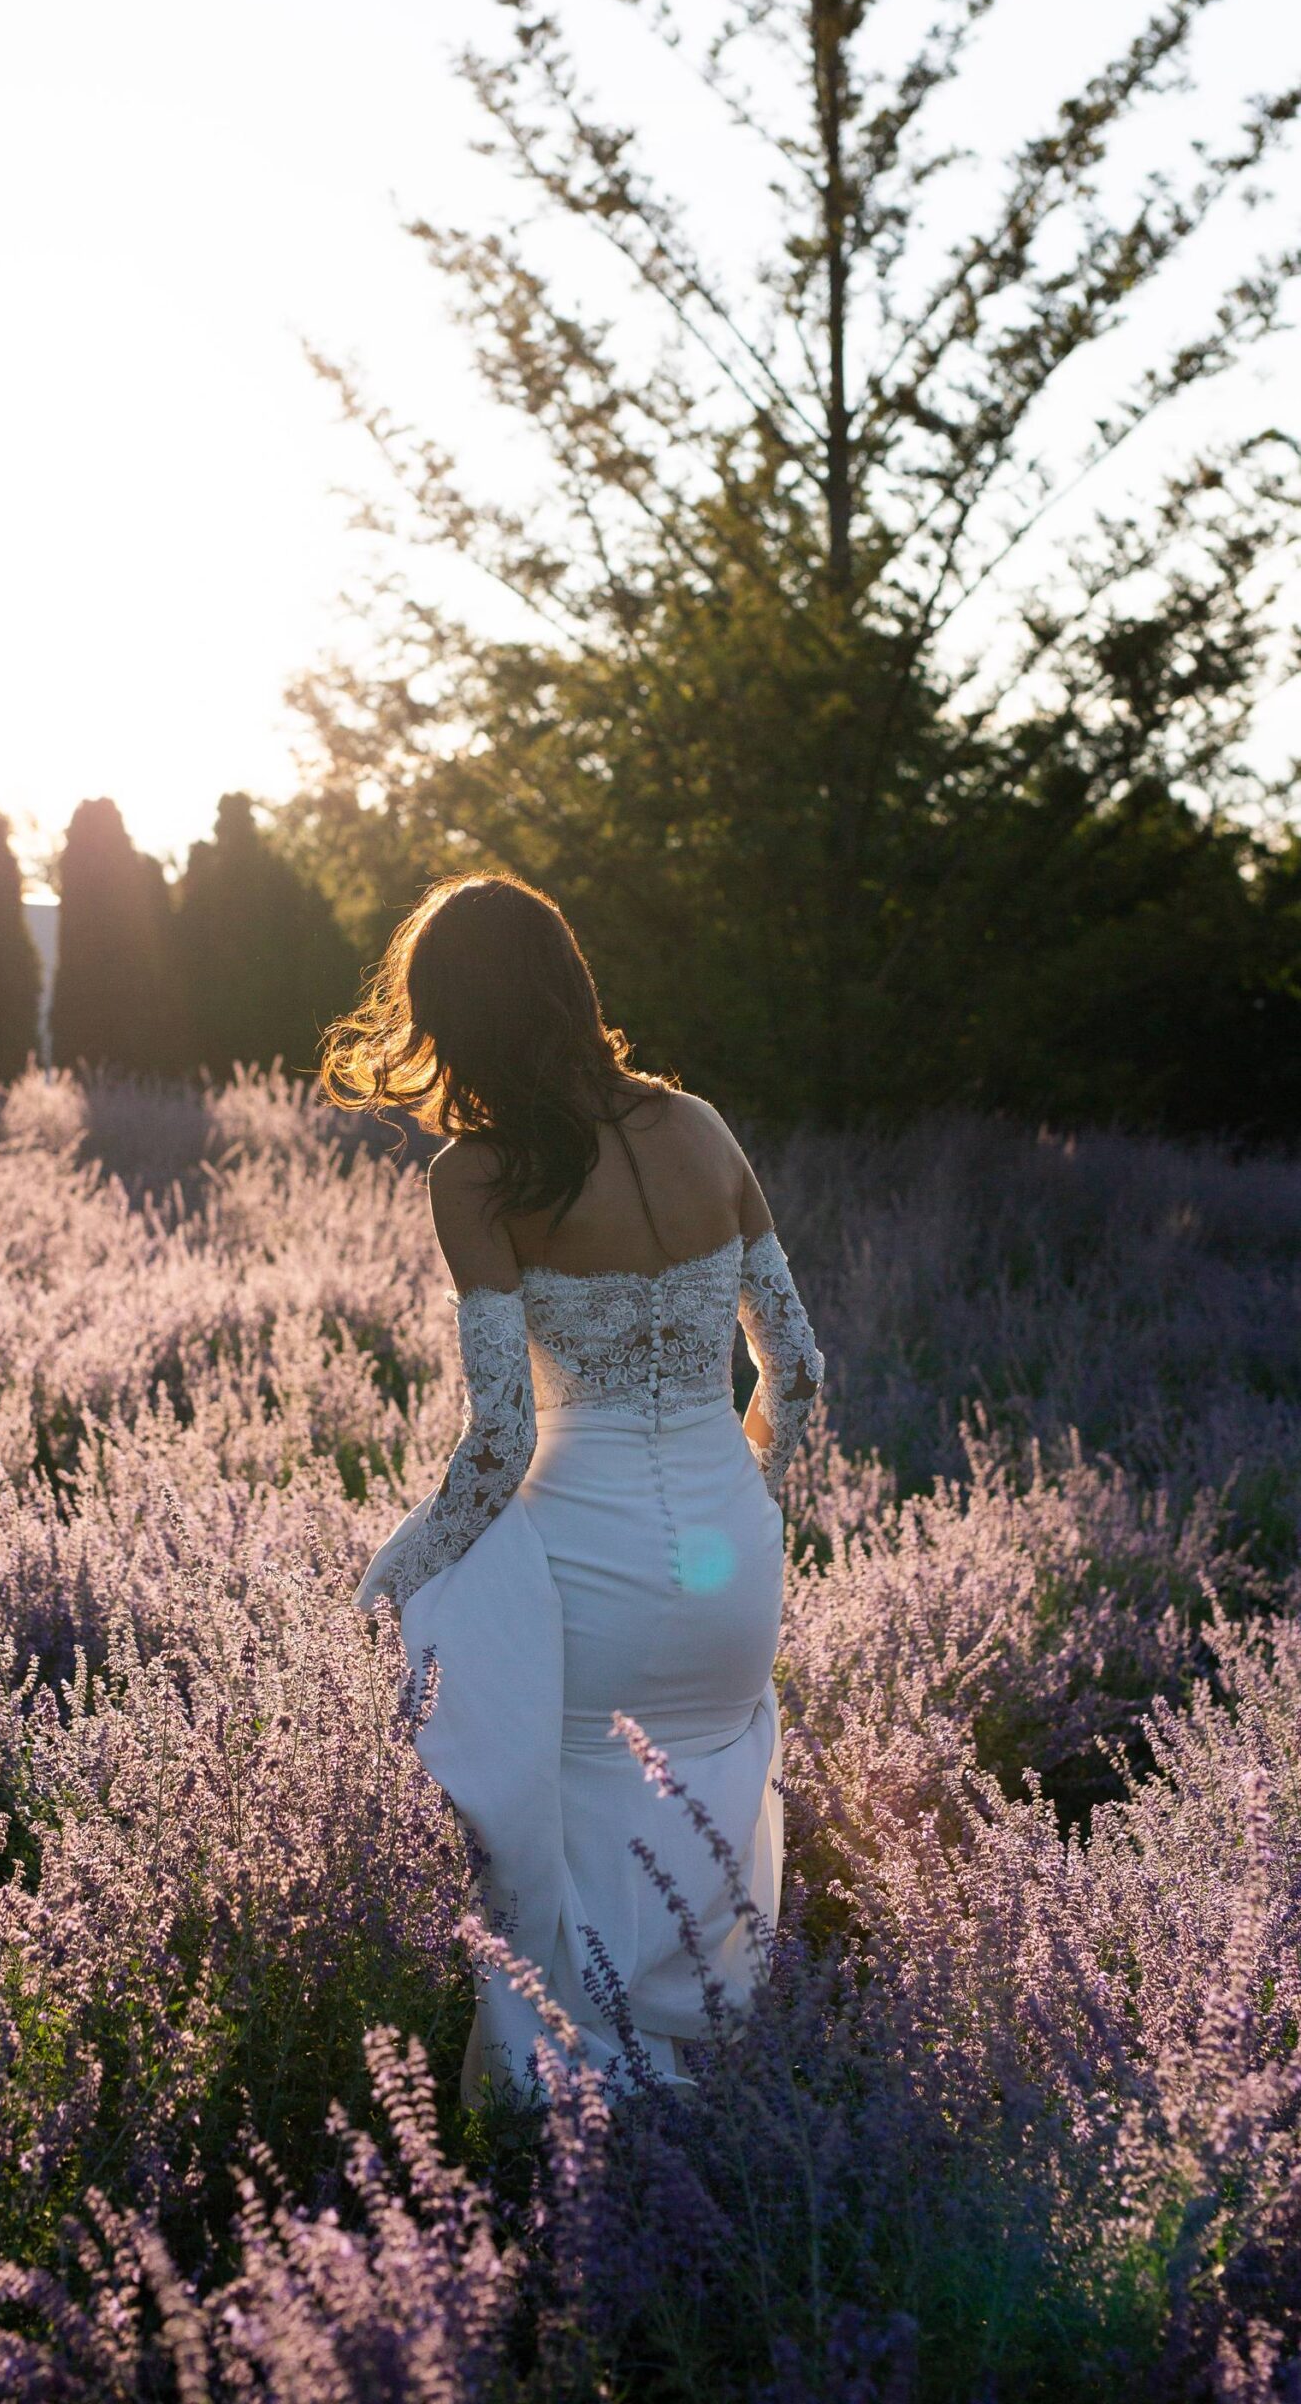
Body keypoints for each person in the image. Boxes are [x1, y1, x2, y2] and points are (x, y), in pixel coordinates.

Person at [320, 873, 823, 2097]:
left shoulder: (480, 1175)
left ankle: (560, 2121)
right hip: (730, 1556)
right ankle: (711, 2099)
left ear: (456, 1018)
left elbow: (497, 1444)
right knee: (703, 1797)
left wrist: (393, 1573)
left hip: (586, 1573)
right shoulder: (698, 1127)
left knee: (560, 1820)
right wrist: (741, 1489)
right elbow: (797, 1367)